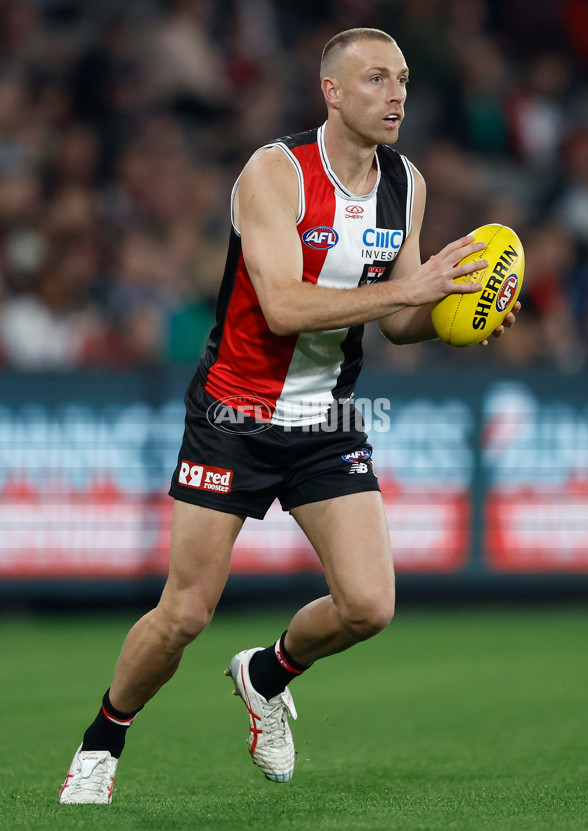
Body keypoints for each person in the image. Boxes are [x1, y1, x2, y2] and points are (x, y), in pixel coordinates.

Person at [59, 27, 519, 804]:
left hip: (327, 418)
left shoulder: (405, 181)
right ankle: (103, 738)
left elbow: (400, 317)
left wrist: (454, 312)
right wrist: (413, 291)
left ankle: (265, 674)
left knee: (370, 604)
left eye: (403, 79)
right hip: (233, 413)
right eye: (377, 79)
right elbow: (280, 309)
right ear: (331, 92)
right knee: (184, 612)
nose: (398, 93)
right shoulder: (274, 173)